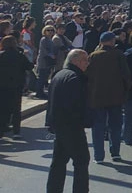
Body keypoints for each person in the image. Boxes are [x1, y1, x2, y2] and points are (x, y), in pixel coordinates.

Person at [46, 49, 91, 193]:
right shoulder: (74, 78)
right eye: (85, 60)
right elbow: (76, 104)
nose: (87, 63)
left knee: (59, 161)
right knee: (81, 160)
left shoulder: (59, 74)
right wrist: (85, 120)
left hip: (59, 125)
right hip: (72, 126)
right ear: (76, 61)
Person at [86, 31, 131, 163]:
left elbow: (87, 76)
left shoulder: (93, 56)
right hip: (116, 96)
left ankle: (98, 155)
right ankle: (115, 152)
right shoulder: (119, 55)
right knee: (115, 126)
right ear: (112, 41)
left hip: (97, 97)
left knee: (98, 127)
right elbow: (126, 75)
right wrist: (125, 91)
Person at [35, 25, 58, 98]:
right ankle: (39, 93)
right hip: (43, 60)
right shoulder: (44, 39)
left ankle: (42, 91)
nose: (50, 32)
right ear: (44, 31)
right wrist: (51, 55)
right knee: (41, 77)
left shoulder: (50, 39)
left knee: (45, 77)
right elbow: (43, 50)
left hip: (49, 61)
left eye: (52, 30)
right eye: (48, 30)